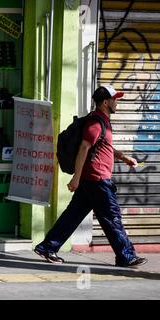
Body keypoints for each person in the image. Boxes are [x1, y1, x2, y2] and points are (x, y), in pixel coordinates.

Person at [34, 85, 148, 268]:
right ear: (105, 102)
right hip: (97, 180)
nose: (117, 102)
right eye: (114, 99)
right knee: (112, 217)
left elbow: (105, 147)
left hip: (91, 181)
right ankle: (126, 256)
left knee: (72, 216)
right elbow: (84, 148)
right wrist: (76, 178)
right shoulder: (96, 123)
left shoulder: (102, 120)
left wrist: (125, 158)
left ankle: (48, 247)